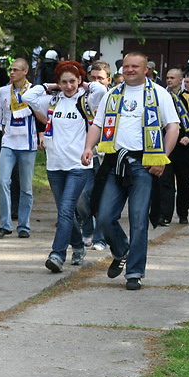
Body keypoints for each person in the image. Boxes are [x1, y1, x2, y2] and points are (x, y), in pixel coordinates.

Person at [81, 52, 179, 291]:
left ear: (146, 69)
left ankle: (134, 272)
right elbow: (98, 124)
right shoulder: (113, 94)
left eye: (135, 66)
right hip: (115, 163)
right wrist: (88, 147)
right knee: (103, 216)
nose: (130, 70)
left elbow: (173, 127)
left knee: (138, 220)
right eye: (126, 66)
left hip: (144, 165)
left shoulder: (159, 94)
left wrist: (162, 159)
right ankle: (122, 250)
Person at [24, 60, 105, 272]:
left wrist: (85, 84)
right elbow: (27, 97)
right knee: (64, 211)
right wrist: (49, 86)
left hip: (78, 164)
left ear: (79, 80)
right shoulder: (52, 100)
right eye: (64, 82)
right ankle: (78, 245)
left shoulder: (87, 99)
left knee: (67, 209)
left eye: (73, 81)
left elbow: (101, 89)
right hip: (55, 165)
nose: (69, 86)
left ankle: (57, 254)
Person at [0, 58, 33, 239]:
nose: (12, 73)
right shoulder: (1, 91)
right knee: (3, 181)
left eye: (16, 70)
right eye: (11, 69)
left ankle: (24, 225)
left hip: (28, 143)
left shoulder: (34, 91)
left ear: (25, 71)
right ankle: (5, 224)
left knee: (26, 187)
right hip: (8, 142)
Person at [158, 69, 189, 225]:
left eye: (172, 78)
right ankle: (165, 215)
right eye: (167, 78)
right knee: (165, 182)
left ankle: (183, 213)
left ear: (180, 80)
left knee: (184, 182)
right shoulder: (162, 97)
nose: (169, 80)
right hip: (167, 146)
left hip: (184, 147)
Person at [79, 61, 111, 251]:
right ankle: (87, 227)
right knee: (82, 195)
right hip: (86, 152)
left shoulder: (114, 98)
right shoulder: (83, 98)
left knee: (103, 196)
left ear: (108, 80)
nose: (96, 82)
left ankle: (101, 236)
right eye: (93, 78)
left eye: (101, 78)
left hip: (106, 154)